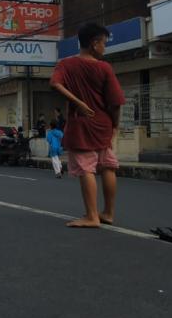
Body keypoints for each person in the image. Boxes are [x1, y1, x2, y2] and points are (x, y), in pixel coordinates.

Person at [50, 22, 125, 228]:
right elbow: (116, 103)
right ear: (94, 44)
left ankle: (92, 216)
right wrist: (115, 128)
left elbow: (55, 83)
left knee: (87, 169)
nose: (105, 48)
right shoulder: (104, 68)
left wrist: (78, 103)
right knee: (108, 167)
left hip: (80, 125)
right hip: (103, 124)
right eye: (104, 43)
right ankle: (108, 213)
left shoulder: (66, 64)